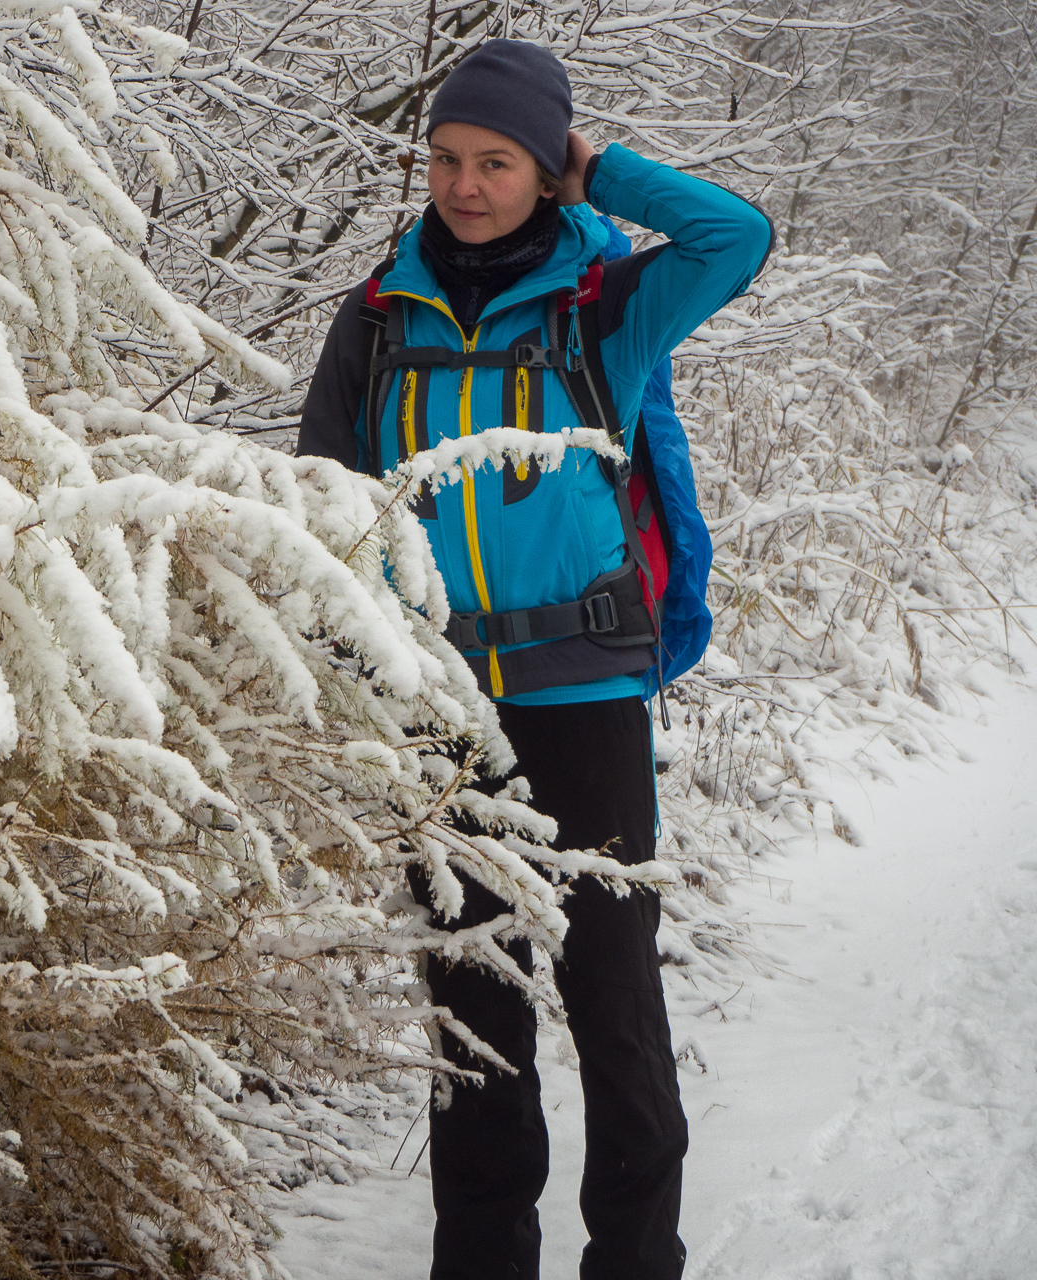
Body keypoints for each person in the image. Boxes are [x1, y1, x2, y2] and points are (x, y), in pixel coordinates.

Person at [296, 39, 773, 1280]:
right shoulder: (377, 312)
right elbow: (325, 503)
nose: (464, 183)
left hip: (587, 694)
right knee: (475, 1003)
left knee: (614, 997)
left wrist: (596, 170)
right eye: (448, 157)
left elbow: (737, 235)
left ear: (540, 165)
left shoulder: (602, 303)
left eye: (497, 160)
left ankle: (634, 1258)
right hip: (442, 704)